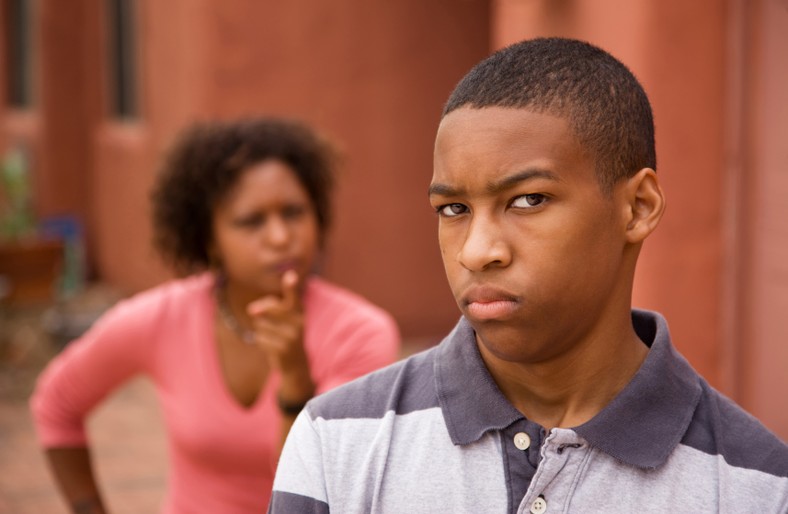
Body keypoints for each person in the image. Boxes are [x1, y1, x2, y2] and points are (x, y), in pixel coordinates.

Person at [268, 38, 788, 513]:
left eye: (528, 200)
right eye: (453, 209)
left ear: (637, 207)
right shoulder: (337, 441)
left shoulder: (758, 486)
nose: (477, 252)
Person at [30, 117, 400, 513]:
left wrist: (295, 380)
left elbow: (315, 488)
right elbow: (57, 402)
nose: (280, 237)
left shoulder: (360, 333)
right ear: (209, 239)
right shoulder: (164, 318)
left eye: (293, 212)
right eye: (251, 221)